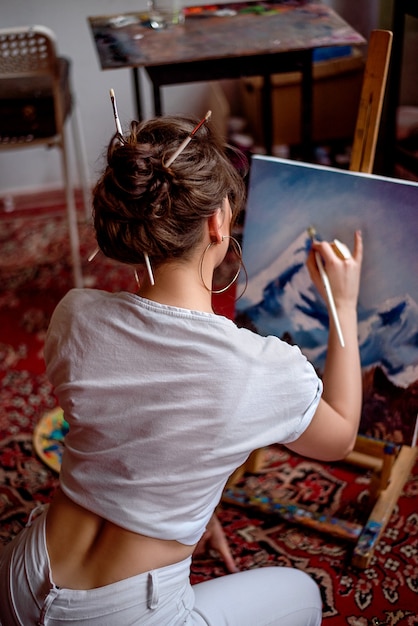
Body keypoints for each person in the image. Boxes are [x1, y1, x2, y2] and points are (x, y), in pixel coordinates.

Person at [0, 113, 363, 626]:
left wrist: (183, 498)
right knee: (301, 592)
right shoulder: (260, 370)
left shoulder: (74, 315)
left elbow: (131, 413)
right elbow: (341, 436)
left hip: (20, 580)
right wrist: (342, 304)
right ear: (218, 222)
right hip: (123, 616)